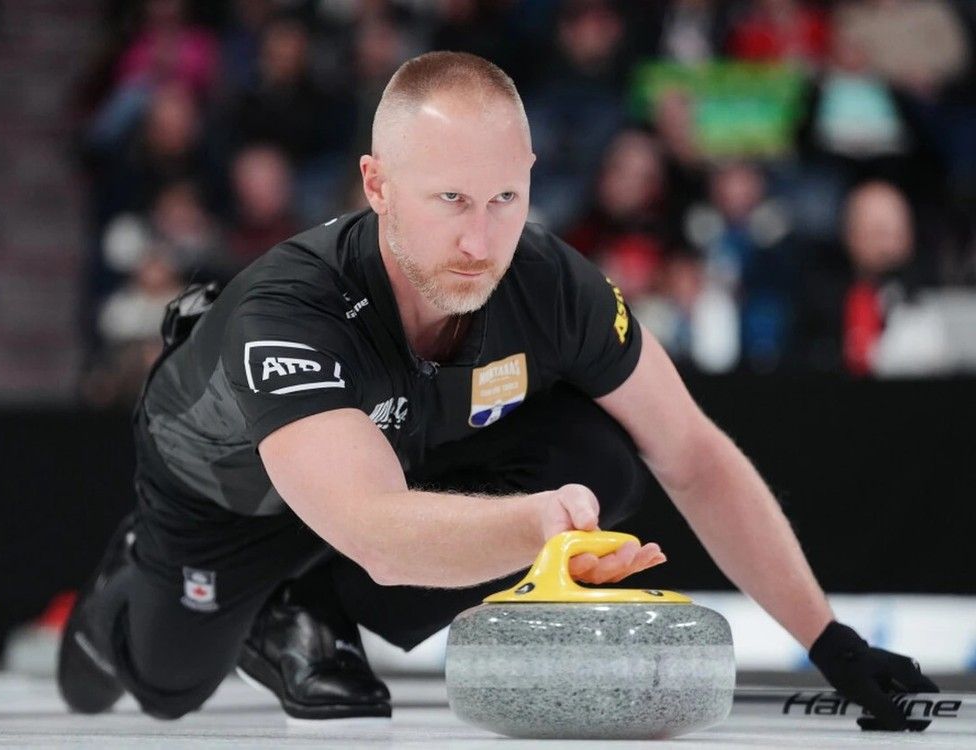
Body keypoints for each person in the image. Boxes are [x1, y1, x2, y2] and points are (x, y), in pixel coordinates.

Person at [58, 51, 936, 731]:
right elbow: (379, 532)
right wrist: (541, 526)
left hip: (388, 463)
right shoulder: (290, 310)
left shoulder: (550, 282)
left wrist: (829, 641)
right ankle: (119, 607)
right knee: (168, 685)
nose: (481, 240)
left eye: (506, 197)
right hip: (227, 500)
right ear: (377, 186)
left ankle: (308, 603)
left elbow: (695, 454)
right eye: (449, 199)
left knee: (604, 458)